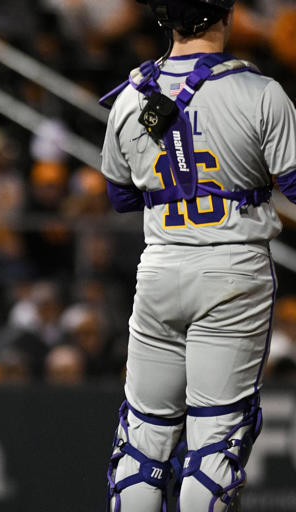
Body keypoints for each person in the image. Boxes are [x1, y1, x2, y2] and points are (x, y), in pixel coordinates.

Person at [98, 0, 296, 510]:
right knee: (214, 447)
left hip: (161, 265)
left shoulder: (129, 95)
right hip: (233, 269)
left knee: (142, 446)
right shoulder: (260, 92)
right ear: (224, 15)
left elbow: (120, 197)